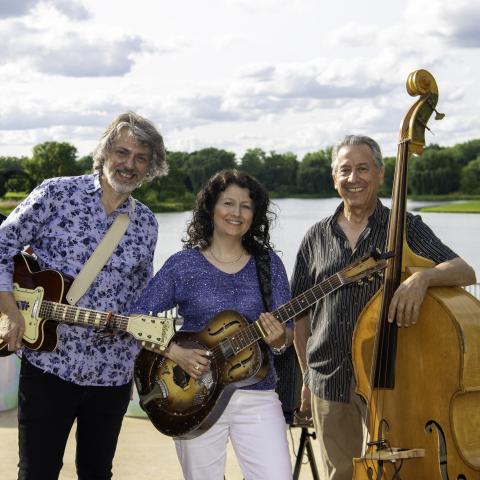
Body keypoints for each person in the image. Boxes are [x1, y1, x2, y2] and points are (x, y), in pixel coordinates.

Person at [291, 135, 476, 480]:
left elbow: (464, 271)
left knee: (397, 472)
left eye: (363, 168)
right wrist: (305, 375)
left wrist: (420, 280)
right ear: (334, 179)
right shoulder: (315, 236)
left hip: (389, 377)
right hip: (328, 376)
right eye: (345, 170)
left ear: (380, 174)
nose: (353, 178)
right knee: (340, 474)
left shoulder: (404, 228)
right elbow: (300, 316)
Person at [0, 112, 168, 480]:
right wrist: (10, 310)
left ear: (150, 167)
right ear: (105, 152)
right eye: (122, 152)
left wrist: (145, 325)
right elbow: (2, 243)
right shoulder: (57, 194)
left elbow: (142, 291)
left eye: (141, 158)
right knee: (37, 471)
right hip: (49, 364)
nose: (129, 165)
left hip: (112, 372)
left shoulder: (147, 223)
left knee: (97, 472)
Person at [133, 169, 294, 480]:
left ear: (254, 214)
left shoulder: (268, 263)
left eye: (246, 206)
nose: (236, 213)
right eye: (228, 203)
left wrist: (278, 340)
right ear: (210, 208)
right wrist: (174, 351)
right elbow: (140, 318)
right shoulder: (183, 264)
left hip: (257, 393)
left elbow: (285, 334)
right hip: (193, 396)